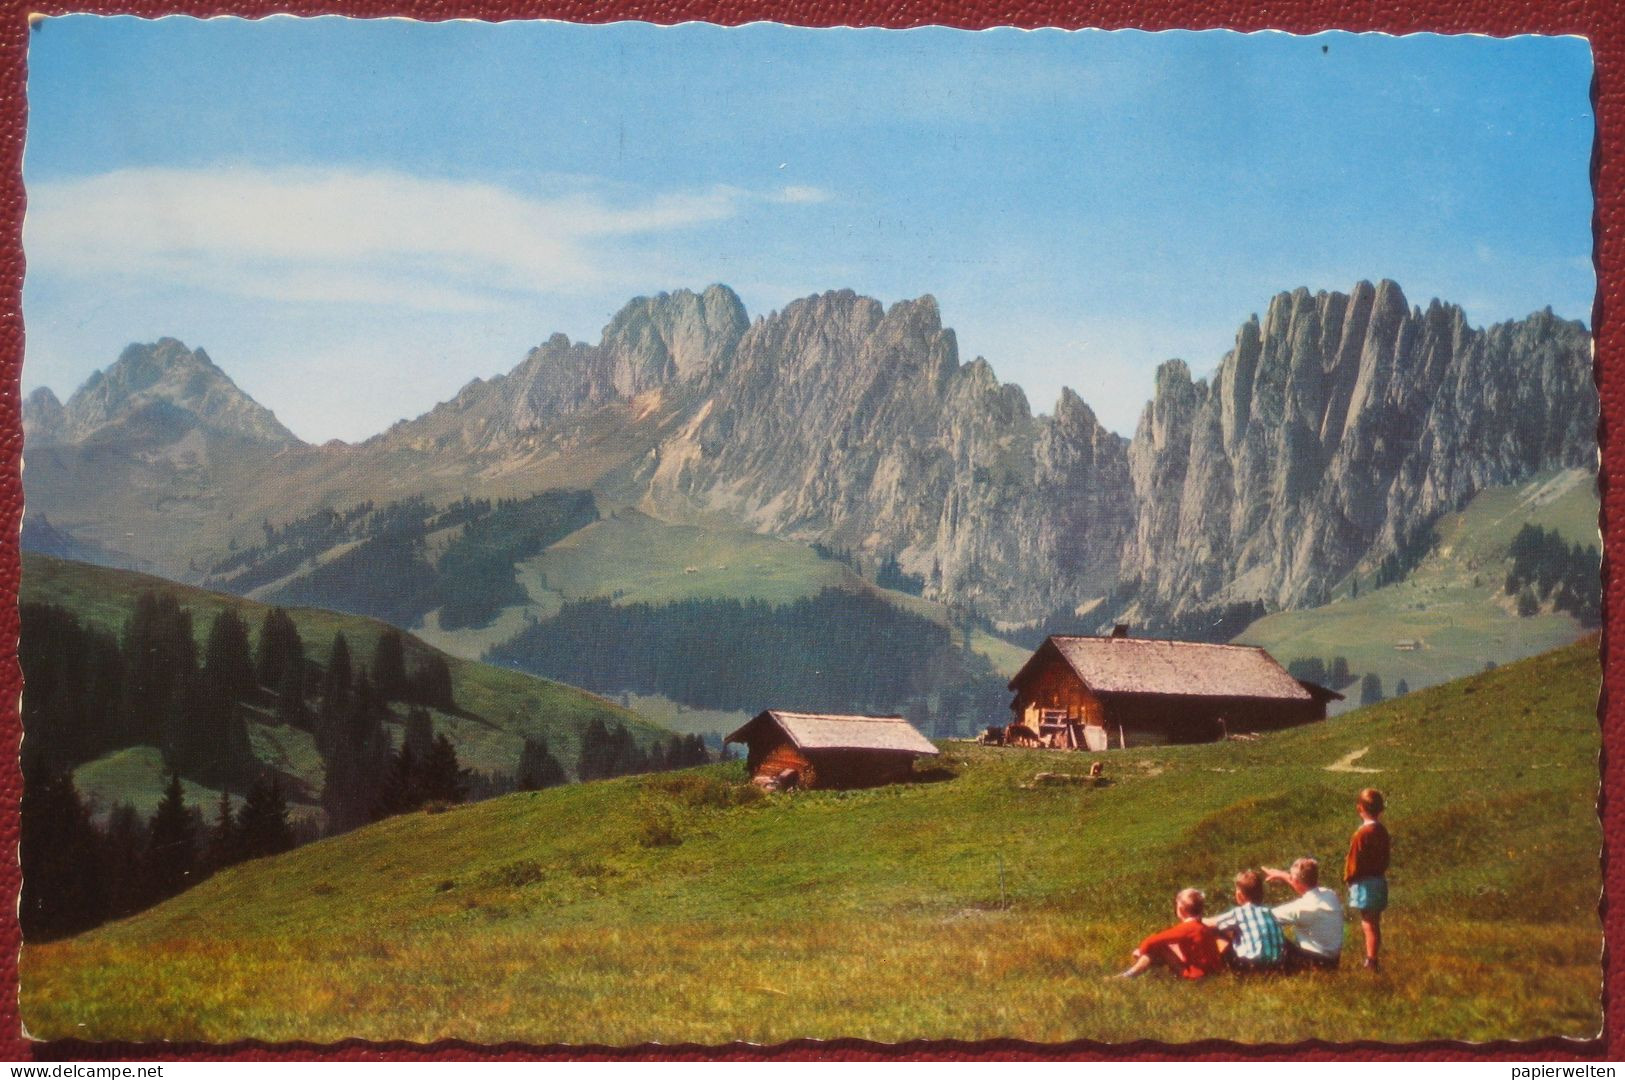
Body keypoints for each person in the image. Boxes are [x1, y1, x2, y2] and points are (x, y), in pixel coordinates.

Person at [1116, 888, 1227, 979]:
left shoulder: (1186, 929)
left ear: (1181, 909)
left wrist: (1141, 951)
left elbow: (1151, 941)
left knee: (1159, 947)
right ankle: (1149, 969)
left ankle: (1128, 976)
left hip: (1195, 975)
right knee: (1171, 945)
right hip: (1214, 973)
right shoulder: (1204, 927)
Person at [1262, 856, 1344, 969]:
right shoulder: (1330, 894)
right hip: (1334, 962)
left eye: (1291, 877)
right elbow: (1303, 885)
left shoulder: (1300, 908)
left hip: (1315, 963)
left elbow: (1262, 918)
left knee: (1275, 936)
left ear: (1295, 881)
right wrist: (1282, 875)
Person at [1345, 787, 1391, 971]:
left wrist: (1348, 877)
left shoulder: (1362, 834)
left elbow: (1353, 859)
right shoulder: (1382, 830)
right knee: (1374, 922)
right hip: (1379, 880)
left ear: (1359, 808)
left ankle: (1371, 960)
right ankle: (1373, 957)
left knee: (1368, 923)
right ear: (1381, 809)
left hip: (1364, 882)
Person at [1206, 869, 1287, 973]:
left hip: (1250, 966)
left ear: (1239, 895)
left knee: (1216, 930)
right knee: (1233, 929)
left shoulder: (1240, 913)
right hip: (1277, 965)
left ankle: (1216, 967)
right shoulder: (1269, 912)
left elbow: (1211, 923)